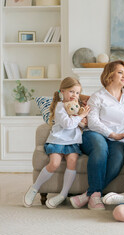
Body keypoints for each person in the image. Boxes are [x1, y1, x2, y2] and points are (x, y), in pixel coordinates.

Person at [69, 60, 124, 210]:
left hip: (119, 140)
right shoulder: (97, 96)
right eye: (120, 72)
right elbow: (92, 122)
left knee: (118, 157)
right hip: (95, 134)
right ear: (109, 75)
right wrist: (113, 134)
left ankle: (91, 194)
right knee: (100, 149)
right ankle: (94, 198)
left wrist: (123, 137)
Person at [23, 77, 90, 208]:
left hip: (72, 141)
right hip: (58, 140)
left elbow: (78, 124)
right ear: (62, 91)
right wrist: (80, 117)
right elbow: (67, 124)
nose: (74, 95)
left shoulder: (76, 107)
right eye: (71, 92)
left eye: (77, 93)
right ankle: (34, 188)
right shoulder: (60, 107)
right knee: (54, 163)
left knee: (72, 162)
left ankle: (63, 194)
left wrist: (83, 121)